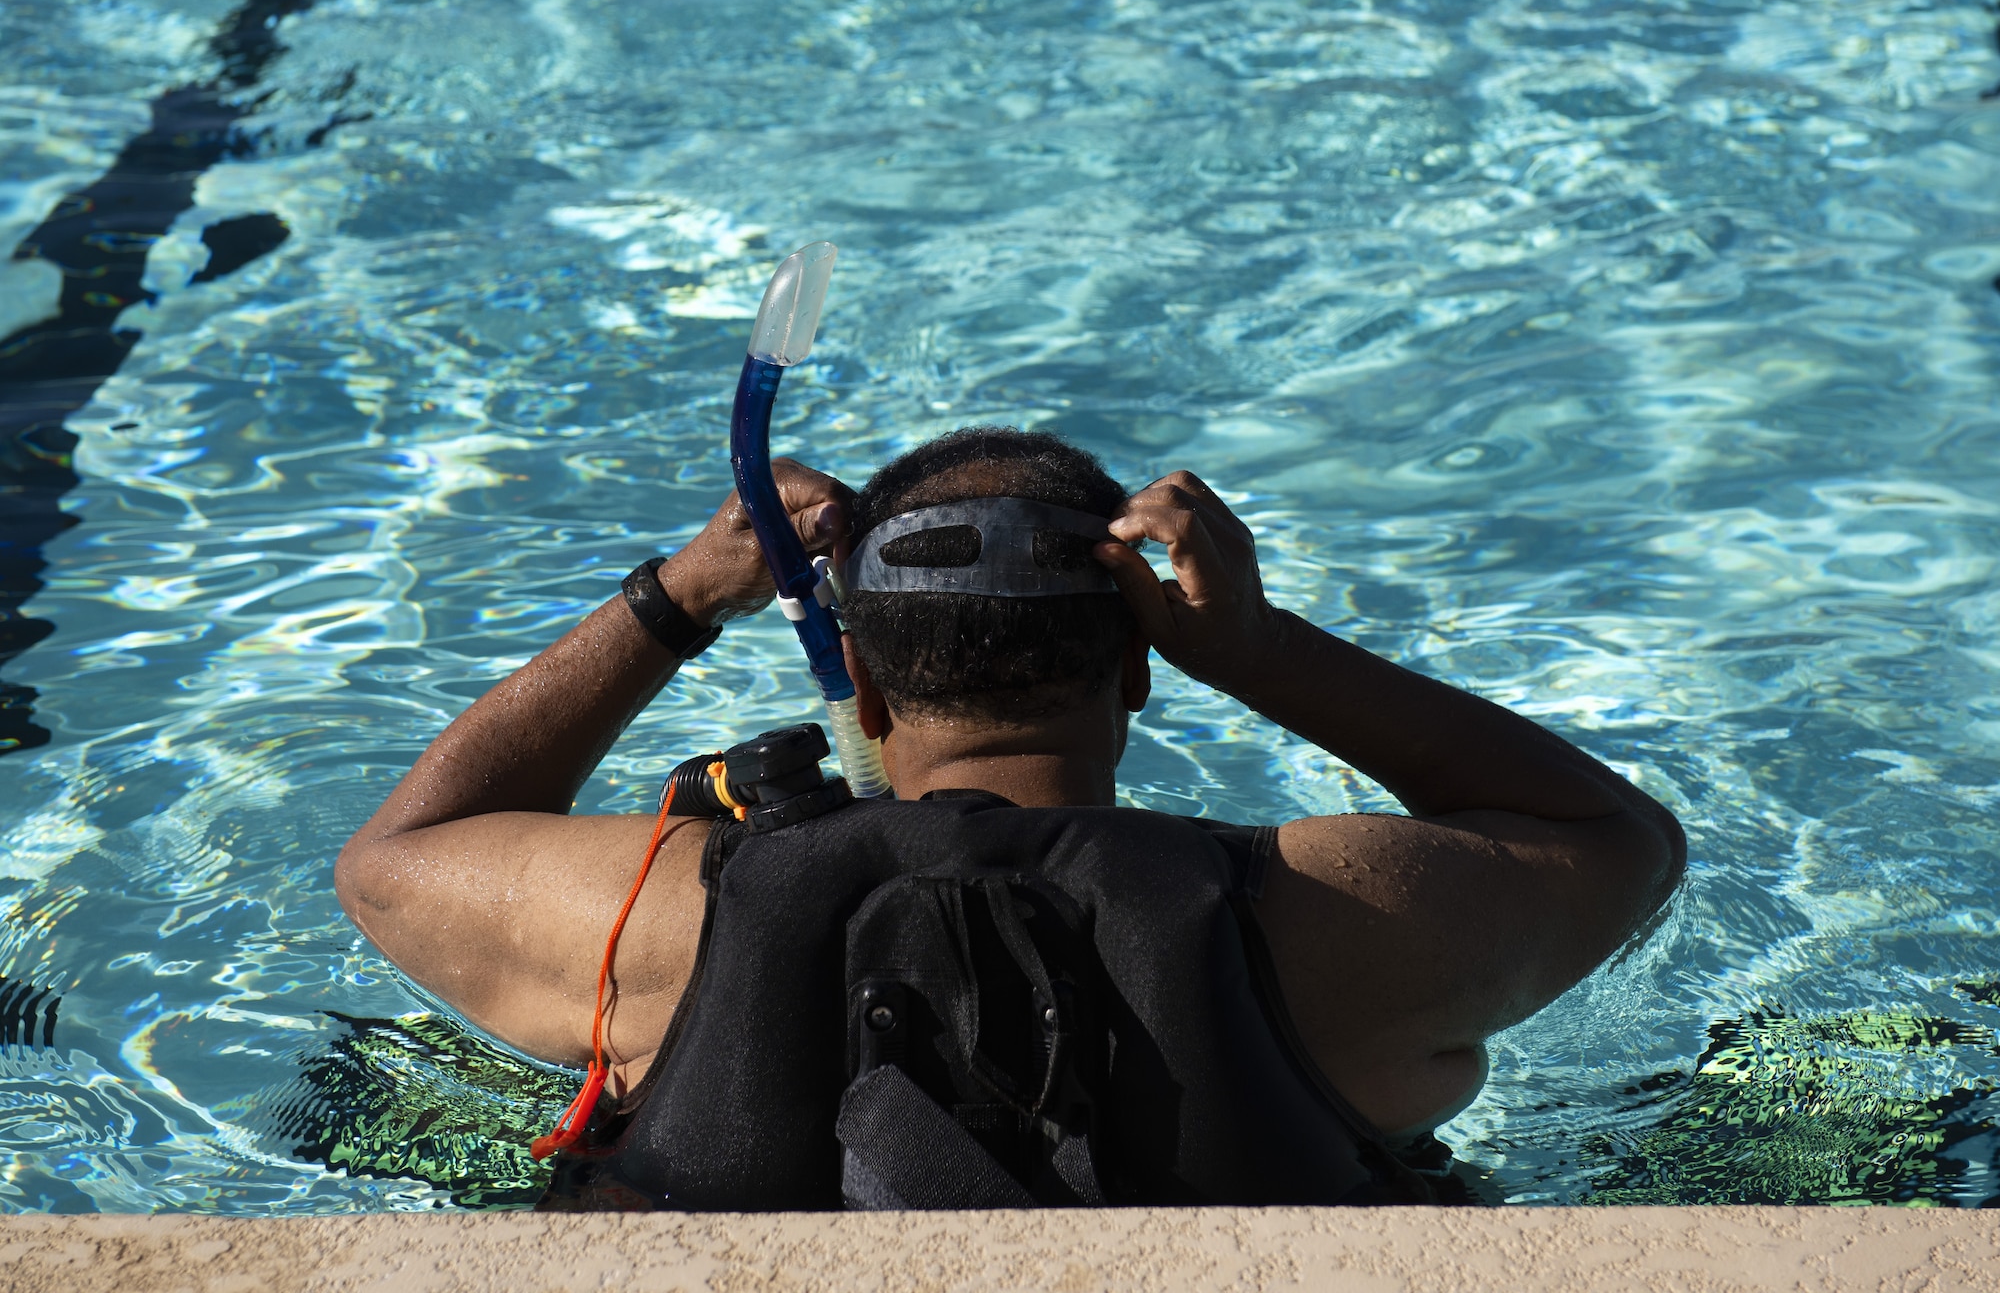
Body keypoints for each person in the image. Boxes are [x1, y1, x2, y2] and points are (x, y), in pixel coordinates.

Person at [336, 427, 1683, 1210]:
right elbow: (1618, 842)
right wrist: (1266, 653)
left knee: (371, 1094)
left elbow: (394, 863)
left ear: (858, 681)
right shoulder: (1326, 909)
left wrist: (678, 599)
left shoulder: (664, 909)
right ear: (1148, 669)